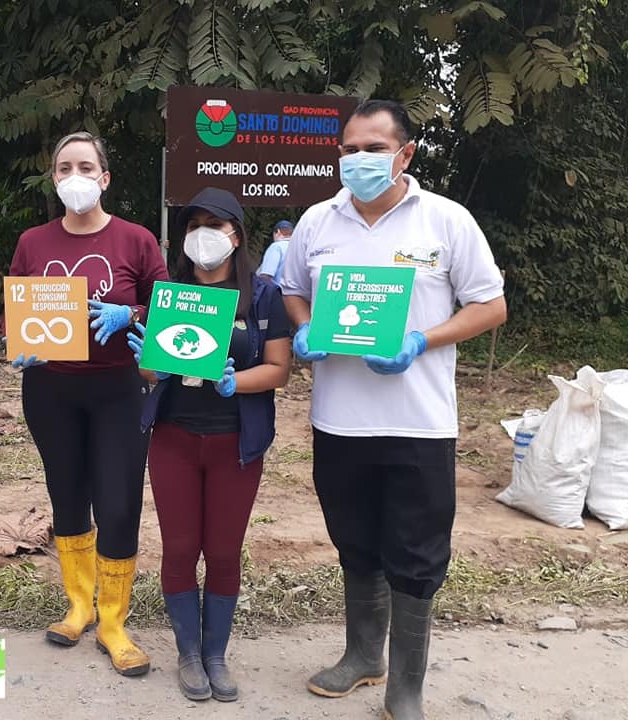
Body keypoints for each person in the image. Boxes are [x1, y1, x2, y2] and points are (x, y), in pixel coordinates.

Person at [278, 100, 507, 720]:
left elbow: (490, 306)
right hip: (338, 419)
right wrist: (304, 327)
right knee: (354, 540)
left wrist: (420, 341)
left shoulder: (445, 220)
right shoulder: (318, 221)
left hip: (419, 422)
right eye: (349, 149)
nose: (358, 160)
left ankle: (406, 687)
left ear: (405, 154)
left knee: (417, 553)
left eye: (373, 149)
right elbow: (293, 290)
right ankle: (363, 655)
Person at [7, 131, 168, 676]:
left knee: (118, 504)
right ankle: (79, 606)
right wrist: (19, 342)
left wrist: (135, 314)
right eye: (63, 168)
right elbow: (16, 309)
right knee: (67, 496)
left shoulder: (136, 240)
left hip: (119, 389)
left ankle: (114, 623)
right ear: (53, 178)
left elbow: (168, 305)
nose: (73, 176)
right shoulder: (33, 242)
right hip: (50, 391)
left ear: (104, 178)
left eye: (84, 166)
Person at [128, 187, 292, 702]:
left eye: (215, 224)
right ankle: (189, 654)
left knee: (223, 551)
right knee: (180, 548)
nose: (203, 234)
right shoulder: (170, 294)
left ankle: (216, 654)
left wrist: (234, 382)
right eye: (194, 224)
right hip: (174, 440)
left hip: (235, 444)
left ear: (236, 235)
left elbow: (279, 369)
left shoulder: (263, 296)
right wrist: (150, 365)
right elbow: (150, 370)